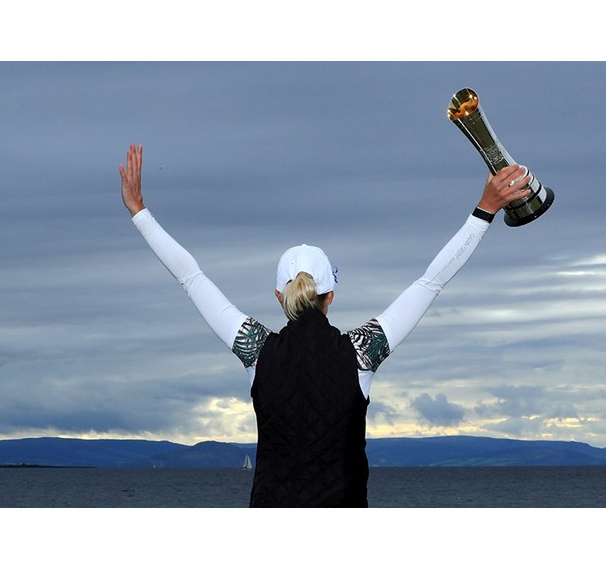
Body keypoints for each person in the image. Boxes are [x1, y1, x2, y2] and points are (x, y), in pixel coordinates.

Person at [119, 143, 531, 507]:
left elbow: (191, 278)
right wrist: (486, 208)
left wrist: (139, 211)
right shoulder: (361, 352)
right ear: (331, 296)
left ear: (278, 298)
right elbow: (431, 281)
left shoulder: (255, 350)